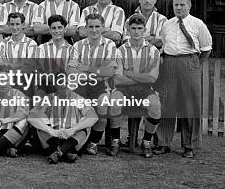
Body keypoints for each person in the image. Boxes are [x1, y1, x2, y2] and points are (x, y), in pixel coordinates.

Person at [154, 0, 212, 158]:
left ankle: (189, 145)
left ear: (189, 5)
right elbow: (164, 45)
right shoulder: (167, 24)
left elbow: (206, 49)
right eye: (176, 5)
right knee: (167, 103)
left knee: (190, 104)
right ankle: (163, 142)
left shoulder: (198, 24)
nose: (178, 8)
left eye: (182, 5)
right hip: (170, 63)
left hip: (190, 62)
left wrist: (194, 64)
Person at [66, 13, 118, 156]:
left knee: (102, 104)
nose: (94, 30)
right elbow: (71, 69)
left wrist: (87, 68)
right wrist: (91, 73)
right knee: (74, 105)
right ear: (86, 28)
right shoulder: (78, 45)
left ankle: (94, 142)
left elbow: (109, 71)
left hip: (102, 84)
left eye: (97, 26)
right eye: (91, 27)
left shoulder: (109, 45)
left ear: (103, 28)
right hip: (82, 83)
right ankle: (73, 140)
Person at [112, 14, 161, 158]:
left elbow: (152, 78)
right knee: (114, 101)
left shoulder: (153, 51)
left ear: (145, 29)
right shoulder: (120, 50)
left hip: (145, 90)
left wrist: (129, 73)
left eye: (140, 28)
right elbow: (118, 80)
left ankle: (146, 141)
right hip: (124, 89)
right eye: (133, 28)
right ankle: (115, 140)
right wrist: (141, 78)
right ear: (128, 29)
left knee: (155, 105)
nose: (136, 32)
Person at [28, 85, 98, 164]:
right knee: (39, 118)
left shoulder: (78, 99)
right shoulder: (48, 98)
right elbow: (31, 116)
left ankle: (61, 151)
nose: (65, 89)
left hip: (72, 139)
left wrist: (72, 130)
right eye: (61, 86)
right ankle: (65, 153)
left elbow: (94, 117)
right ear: (56, 86)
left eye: (67, 86)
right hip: (52, 139)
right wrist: (50, 130)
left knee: (86, 122)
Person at [35, 15, 75, 96]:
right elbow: (39, 72)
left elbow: (72, 72)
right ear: (49, 30)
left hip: (65, 87)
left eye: (60, 27)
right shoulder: (41, 48)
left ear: (65, 29)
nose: (57, 31)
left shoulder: (72, 50)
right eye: (54, 28)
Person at [0, 12, 38, 80]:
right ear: (8, 25)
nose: (14, 27)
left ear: (23, 24)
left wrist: (8, 65)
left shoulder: (32, 44)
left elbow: (29, 68)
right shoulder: (3, 44)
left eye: (17, 24)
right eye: (12, 24)